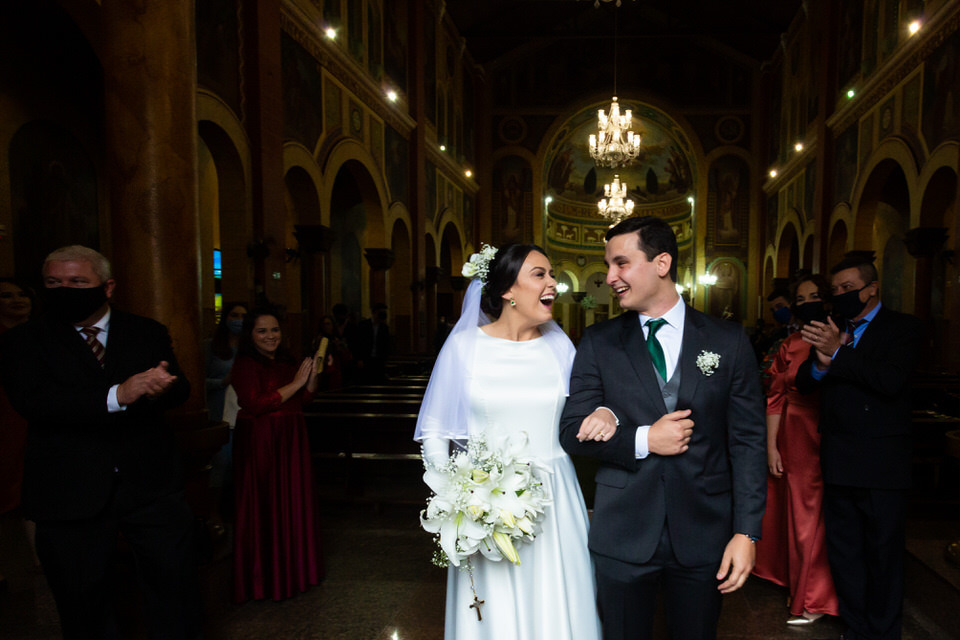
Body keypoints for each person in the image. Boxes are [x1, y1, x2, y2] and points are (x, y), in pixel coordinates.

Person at [559, 216, 767, 640]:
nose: (610, 277)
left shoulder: (728, 340)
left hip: (705, 532)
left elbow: (748, 442)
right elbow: (571, 429)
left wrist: (746, 532)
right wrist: (643, 439)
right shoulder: (599, 341)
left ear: (662, 263)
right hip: (623, 531)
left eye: (621, 263)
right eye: (608, 265)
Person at [0, 246, 199, 638]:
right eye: (54, 283)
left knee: (174, 594)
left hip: (150, 487)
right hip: (69, 491)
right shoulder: (23, 341)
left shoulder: (146, 331)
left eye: (77, 282)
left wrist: (161, 388)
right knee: (82, 605)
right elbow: (36, 403)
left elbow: (179, 389)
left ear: (106, 287)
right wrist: (118, 395)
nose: (65, 289)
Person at [415, 243, 601, 640]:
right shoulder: (465, 348)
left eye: (552, 275)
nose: (554, 283)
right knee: (494, 605)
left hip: (554, 495)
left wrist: (604, 412)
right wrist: (457, 495)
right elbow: (434, 430)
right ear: (507, 290)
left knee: (557, 597)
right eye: (540, 274)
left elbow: (586, 408)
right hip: (485, 500)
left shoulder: (559, 346)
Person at [797, 256, 923, 640]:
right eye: (836, 291)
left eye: (848, 289)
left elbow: (890, 381)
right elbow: (804, 382)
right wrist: (821, 361)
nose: (840, 296)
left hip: (882, 464)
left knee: (883, 555)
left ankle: (883, 633)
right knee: (845, 553)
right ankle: (856, 627)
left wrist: (839, 353)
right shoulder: (835, 328)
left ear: (872, 289)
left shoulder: (903, 328)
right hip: (838, 459)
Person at [752, 274, 838, 625]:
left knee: (812, 516)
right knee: (790, 511)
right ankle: (795, 582)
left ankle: (813, 597)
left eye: (814, 296)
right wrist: (771, 447)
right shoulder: (790, 343)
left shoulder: (846, 339)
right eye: (800, 299)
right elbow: (774, 398)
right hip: (790, 433)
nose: (805, 304)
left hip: (824, 431)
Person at [231, 307, 324, 602]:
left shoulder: (286, 360)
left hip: (292, 439)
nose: (271, 336)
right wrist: (297, 382)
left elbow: (304, 398)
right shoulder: (245, 364)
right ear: (250, 335)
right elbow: (255, 403)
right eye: (262, 331)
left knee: (292, 503)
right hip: (262, 441)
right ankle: (265, 579)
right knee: (265, 504)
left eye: (275, 330)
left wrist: (311, 376)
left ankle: (295, 571)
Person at [0, 278, 37, 588]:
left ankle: (39, 558)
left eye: (21, 293)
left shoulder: (46, 335)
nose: (16, 299)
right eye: (6, 296)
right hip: (8, 422)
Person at [204, 302, 248, 532]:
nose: (239, 320)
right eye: (234, 315)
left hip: (243, 414)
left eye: (243, 316)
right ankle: (213, 512)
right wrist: (221, 382)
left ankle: (240, 512)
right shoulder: (211, 347)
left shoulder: (250, 347)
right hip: (220, 413)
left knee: (241, 467)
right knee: (220, 465)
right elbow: (195, 381)